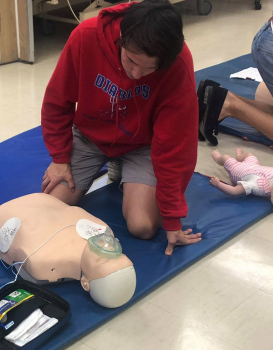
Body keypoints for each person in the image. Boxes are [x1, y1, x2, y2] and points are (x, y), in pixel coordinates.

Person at [40, 0, 201, 256]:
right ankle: (117, 168)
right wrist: (59, 158)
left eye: (151, 68)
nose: (136, 74)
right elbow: (57, 101)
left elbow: (175, 144)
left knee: (144, 226)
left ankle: (127, 172)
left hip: (142, 144)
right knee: (49, 208)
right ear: (122, 38)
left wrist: (171, 218)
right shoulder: (86, 36)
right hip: (90, 136)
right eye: (131, 61)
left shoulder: (178, 62)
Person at [0, 193, 136, 308]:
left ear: (85, 283)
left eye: (102, 258)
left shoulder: (42, 261)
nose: (107, 247)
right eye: (118, 253)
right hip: (42, 201)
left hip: (4, 214)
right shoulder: (104, 232)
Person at [199, 20, 273, 146]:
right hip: (269, 46)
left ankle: (218, 98)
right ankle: (230, 105)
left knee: (264, 94)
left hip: (267, 35)